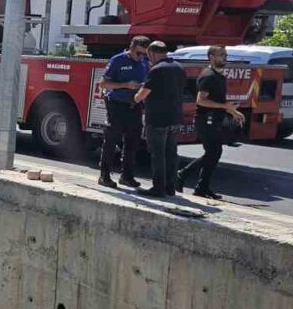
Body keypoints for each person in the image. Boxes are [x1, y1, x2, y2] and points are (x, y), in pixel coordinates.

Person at [178, 45, 245, 200]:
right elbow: (201, 100)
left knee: (214, 153)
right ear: (211, 57)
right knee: (212, 153)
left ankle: (202, 187)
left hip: (215, 119)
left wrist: (233, 111)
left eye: (225, 55)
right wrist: (225, 107)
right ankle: (182, 174)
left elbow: (220, 101)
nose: (225, 57)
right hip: (205, 119)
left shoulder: (220, 76)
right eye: (221, 55)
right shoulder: (208, 76)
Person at [133, 41, 186, 198]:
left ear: (152, 53)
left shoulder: (156, 70)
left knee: (158, 154)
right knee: (171, 153)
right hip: (175, 117)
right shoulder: (179, 68)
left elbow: (142, 95)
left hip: (157, 119)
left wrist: (136, 97)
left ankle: (158, 188)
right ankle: (170, 187)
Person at [98, 36, 150, 189]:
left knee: (132, 141)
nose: (141, 57)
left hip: (135, 105)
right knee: (111, 140)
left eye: (144, 54)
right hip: (117, 104)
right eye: (139, 53)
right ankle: (104, 175)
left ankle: (126, 176)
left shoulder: (144, 62)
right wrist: (125, 85)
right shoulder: (118, 60)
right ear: (131, 48)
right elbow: (103, 83)